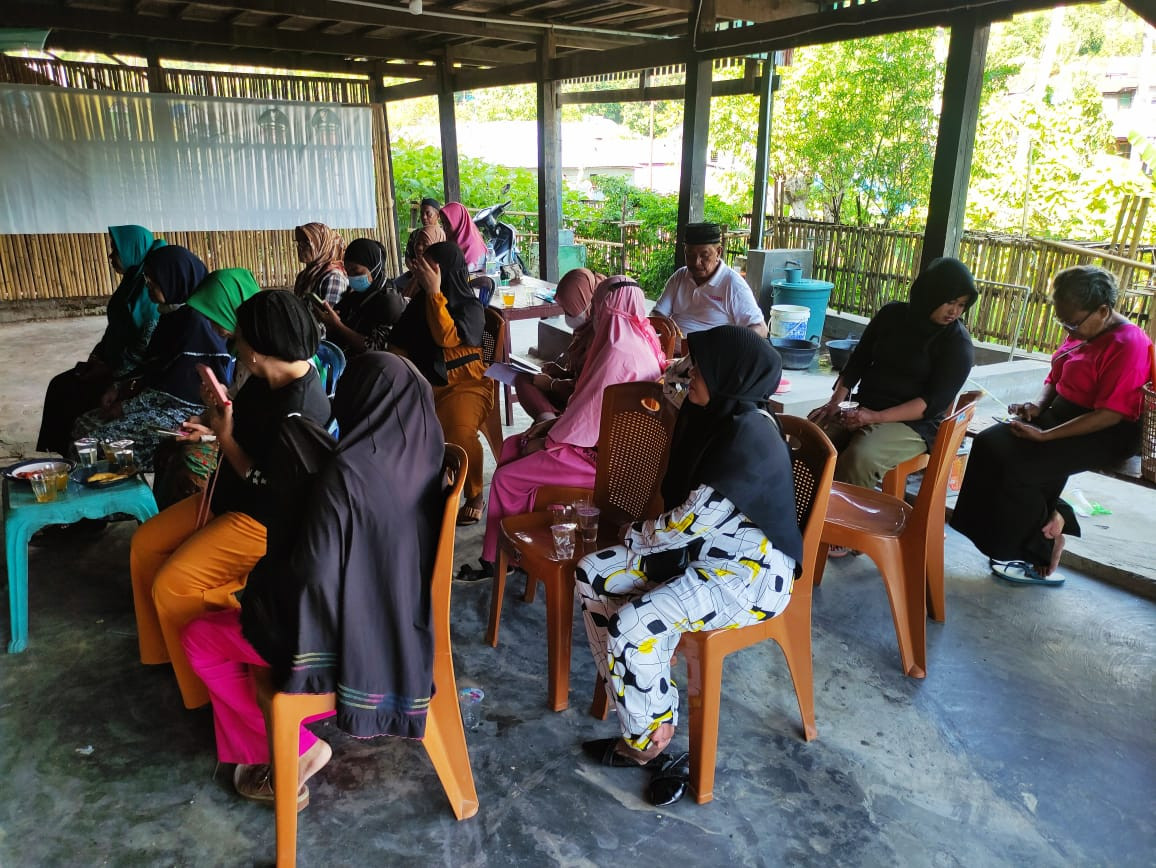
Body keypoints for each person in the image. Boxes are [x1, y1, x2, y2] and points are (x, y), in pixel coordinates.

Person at [181, 352, 444, 808]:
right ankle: (271, 741)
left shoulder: (349, 475)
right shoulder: (424, 454)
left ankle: (295, 749)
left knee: (202, 636)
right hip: (400, 625)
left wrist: (264, 592)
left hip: (341, 638)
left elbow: (312, 576)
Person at [575, 325, 801, 807]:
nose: (691, 371)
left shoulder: (748, 440)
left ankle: (651, 738)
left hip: (747, 576)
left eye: (702, 366)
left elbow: (680, 525)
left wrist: (633, 535)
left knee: (632, 625)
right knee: (592, 573)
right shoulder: (717, 416)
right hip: (698, 554)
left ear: (728, 376)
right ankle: (643, 712)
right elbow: (673, 387)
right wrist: (680, 379)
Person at [130, 291, 331, 709]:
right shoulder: (267, 377)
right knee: (145, 545)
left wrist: (223, 436)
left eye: (237, 339)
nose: (232, 345)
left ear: (256, 351)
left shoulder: (300, 410)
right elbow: (242, 419)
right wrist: (212, 416)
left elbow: (264, 482)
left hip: (261, 521)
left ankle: (204, 692)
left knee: (174, 584)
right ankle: (169, 651)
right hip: (229, 498)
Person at [951, 265, 1153, 586]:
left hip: (1106, 430)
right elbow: (1056, 374)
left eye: (1072, 322)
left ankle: (1045, 546)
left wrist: (1045, 435)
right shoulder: (1083, 331)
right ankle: (1017, 530)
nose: (1068, 331)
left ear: (1103, 310)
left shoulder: (1129, 344)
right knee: (990, 443)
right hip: (1064, 414)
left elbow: (1111, 413)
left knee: (1023, 469)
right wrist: (1036, 406)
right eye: (1063, 322)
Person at [461, 277, 665, 581]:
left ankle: (500, 559)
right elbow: (586, 412)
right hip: (602, 447)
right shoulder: (634, 339)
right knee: (514, 445)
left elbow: (585, 419)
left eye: (597, 306)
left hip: (604, 464)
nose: (594, 313)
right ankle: (514, 545)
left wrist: (547, 440)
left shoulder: (618, 353)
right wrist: (550, 426)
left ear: (606, 308)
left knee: (506, 477)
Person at [808, 257, 978, 494]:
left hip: (914, 424)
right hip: (866, 405)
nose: (955, 311)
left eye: (961, 305)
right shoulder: (891, 315)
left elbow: (930, 404)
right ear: (930, 294)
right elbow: (858, 360)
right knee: (810, 436)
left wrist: (874, 417)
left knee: (860, 457)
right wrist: (835, 402)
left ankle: (844, 524)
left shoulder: (957, 344)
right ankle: (803, 514)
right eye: (950, 302)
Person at [71, 246, 230, 471]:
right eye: (146, 279)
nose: (147, 286)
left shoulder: (196, 324)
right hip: (158, 403)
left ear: (174, 279)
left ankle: (118, 494)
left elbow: (177, 391)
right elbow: (150, 367)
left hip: (185, 410)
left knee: (98, 443)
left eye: (153, 280)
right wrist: (118, 388)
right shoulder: (171, 315)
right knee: (82, 426)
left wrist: (126, 407)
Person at [37, 225, 166, 456]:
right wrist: (96, 358)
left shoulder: (149, 294)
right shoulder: (131, 283)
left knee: (70, 393)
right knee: (61, 385)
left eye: (116, 250)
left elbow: (142, 349)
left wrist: (108, 371)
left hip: (130, 373)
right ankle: (56, 455)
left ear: (132, 250)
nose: (110, 256)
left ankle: (68, 457)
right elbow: (113, 331)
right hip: (112, 364)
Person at [388, 241, 492, 525]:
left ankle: (474, 494)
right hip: (426, 382)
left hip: (465, 385)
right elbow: (398, 343)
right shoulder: (420, 301)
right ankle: (423, 486)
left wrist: (435, 293)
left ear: (444, 270)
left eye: (429, 268)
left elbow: (445, 338)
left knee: (459, 430)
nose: (422, 272)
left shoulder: (470, 306)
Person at [151, 268, 263, 508]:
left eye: (216, 317)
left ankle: (197, 524)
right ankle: (165, 519)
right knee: (169, 446)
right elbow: (240, 400)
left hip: (251, 452)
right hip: (237, 434)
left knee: (192, 460)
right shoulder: (244, 353)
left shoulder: (264, 359)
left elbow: (260, 430)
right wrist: (208, 411)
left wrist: (213, 434)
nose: (212, 328)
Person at [513, 267, 607, 422]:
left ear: (586, 304)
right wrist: (561, 372)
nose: (566, 316)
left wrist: (552, 384)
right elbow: (579, 372)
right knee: (524, 379)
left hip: (586, 406)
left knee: (532, 384)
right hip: (571, 393)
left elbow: (587, 389)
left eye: (569, 311)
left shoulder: (600, 335)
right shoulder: (584, 330)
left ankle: (549, 424)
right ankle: (549, 421)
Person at [652, 222, 767, 338]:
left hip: (711, 354)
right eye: (690, 255)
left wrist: (731, 346)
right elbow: (658, 314)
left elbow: (760, 328)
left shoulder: (733, 284)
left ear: (718, 252)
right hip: (670, 352)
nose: (696, 262)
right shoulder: (680, 276)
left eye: (704, 255)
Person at [314, 237, 405, 353]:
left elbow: (377, 349)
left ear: (374, 268)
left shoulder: (390, 301)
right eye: (348, 272)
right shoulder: (355, 295)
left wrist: (338, 325)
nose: (352, 277)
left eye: (357, 272)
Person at [292, 222, 348, 306]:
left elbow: (329, 317)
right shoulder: (303, 276)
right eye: (298, 242)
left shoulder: (333, 277)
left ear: (323, 245)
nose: (299, 246)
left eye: (306, 242)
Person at [394, 224, 447, 299]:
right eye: (417, 243)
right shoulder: (417, 274)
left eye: (425, 244)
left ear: (437, 246)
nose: (419, 247)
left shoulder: (439, 280)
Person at [439, 201, 487, 272]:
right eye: (443, 223)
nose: (444, 227)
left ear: (458, 221)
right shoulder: (450, 240)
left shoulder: (472, 246)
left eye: (448, 223)